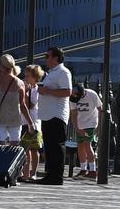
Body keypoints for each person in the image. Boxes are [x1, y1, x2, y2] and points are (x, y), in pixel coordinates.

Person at [35, 46, 72, 185]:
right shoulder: (51, 73)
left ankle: (56, 176)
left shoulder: (63, 72)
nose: (46, 59)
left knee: (57, 146)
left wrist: (47, 91)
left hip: (56, 114)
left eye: (48, 56)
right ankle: (49, 174)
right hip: (47, 114)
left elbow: (67, 92)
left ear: (56, 58)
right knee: (49, 146)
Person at [0, 54, 32, 148]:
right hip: (15, 119)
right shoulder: (19, 83)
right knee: (14, 149)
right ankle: (11, 163)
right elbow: (22, 105)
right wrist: (30, 123)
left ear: (1, 67)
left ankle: (0, 163)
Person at [70, 83, 102, 178]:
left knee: (87, 144)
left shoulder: (92, 94)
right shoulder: (72, 97)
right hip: (80, 123)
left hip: (91, 122)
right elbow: (73, 113)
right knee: (80, 146)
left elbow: (100, 109)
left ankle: (92, 170)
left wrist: (99, 126)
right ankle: (83, 169)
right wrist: (76, 127)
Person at [21, 64, 45, 182]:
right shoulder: (24, 87)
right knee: (24, 148)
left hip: (35, 122)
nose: (26, 78)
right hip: (23, 121)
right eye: (25, 75)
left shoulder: (37, 91)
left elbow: (30, 104)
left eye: (29, 76)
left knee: (34, 149)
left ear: (35, 77)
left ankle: (33, 172)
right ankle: (25, 172)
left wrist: (25, 93)